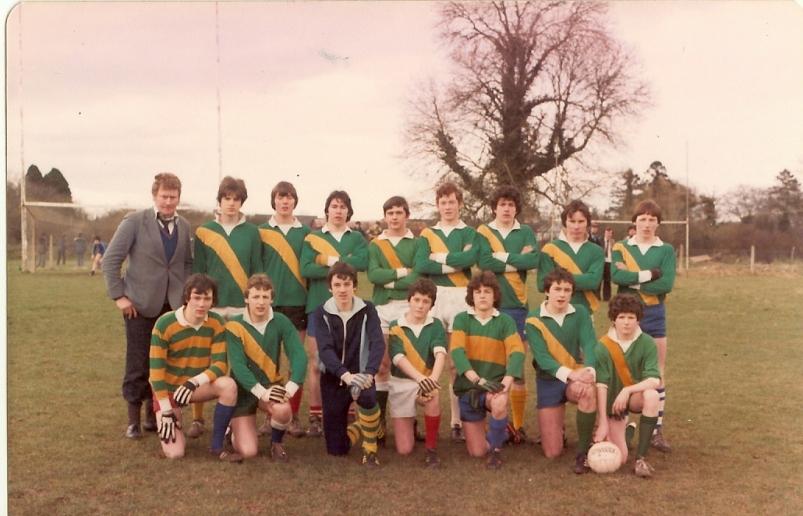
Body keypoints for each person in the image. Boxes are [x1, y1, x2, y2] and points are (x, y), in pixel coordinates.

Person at [102, 172, 193, 439]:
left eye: (173, 197)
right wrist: (119, 296)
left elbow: (187, 263)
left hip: (172, 307)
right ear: (154, 195)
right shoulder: (134, 221)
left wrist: (185, 296)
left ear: (179, 198)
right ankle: (133, 420)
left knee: (165, 364)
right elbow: (110, 260)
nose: (168, 202)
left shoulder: (184, 225)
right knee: (138, 362)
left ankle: (154, 416)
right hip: (139, 306)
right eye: (164, 196)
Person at [188, 176, 262, 439]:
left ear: (242, 202)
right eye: (227, 198)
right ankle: (197, 419)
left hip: (242, 308)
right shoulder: (204, 231)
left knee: (241, 364)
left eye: (236, 199)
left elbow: (257, 271)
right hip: (213, 307)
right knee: (205, 362)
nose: (231, 203)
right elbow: (199, 272)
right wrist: (199, 304)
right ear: (219, 201)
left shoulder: (252, 232)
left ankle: (238, 417)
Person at [149, 273, 242, 462]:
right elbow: (156, 373)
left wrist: (193, 382)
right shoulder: (165, 323)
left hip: (194, 388)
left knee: (228, 385)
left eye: (207, 299)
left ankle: (217, 445)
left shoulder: (216, 322)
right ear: (187, 297)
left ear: (213, 300)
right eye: (197, 298)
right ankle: (172, 422)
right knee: (175, 454)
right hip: (169, 391)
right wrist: (166, 410)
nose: (201, 304)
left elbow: (220, 365)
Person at [414, 181, 478, 442]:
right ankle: (421, 420)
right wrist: (453, 260)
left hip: (462, 296)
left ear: (460, 204)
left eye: (452, 202)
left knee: (455, 363)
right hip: (436, 296)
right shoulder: (428, 233)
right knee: (428, 361)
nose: (448, 206)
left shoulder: (469, 232)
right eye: (443, 202)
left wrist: (437, 258)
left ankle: (456, 421)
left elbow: (469, 259)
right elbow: (421, 264)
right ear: (438, 205)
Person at [301, 190, 368, 436]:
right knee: (318, 363)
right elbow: (306, 268)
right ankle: (315, 415)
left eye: (342, 206)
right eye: (334, 206)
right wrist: (342, 263)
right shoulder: (313, 237)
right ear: (326, 210)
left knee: (348, 361)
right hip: (318, 306)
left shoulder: (357, 238)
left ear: (348, 211)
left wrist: (325, 260)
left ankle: (346, 411)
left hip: (348, 309)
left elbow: (362, 263)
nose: (338, 211)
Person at [475, 185, 539, 443]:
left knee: (517, 365)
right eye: (502, 204)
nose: (506, 208)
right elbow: (484, 263)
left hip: (517, 307)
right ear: (494, 207)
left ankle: (519, 425)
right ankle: (489, 424)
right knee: (488, 364)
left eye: (511, 205)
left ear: (516, 208)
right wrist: (515, 259)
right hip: (489, 306)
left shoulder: (526, 232)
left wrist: (499, 257)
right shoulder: (484, 231)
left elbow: (533, 261)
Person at [611, 199, 675, 452]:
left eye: (652, 220)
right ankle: (621, 426)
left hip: (654, 313)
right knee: (621, 368)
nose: (647, 224)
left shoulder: (666, 250)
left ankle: (656, 430)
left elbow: (666, 284)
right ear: (634, 221)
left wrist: (632, 280)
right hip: (625, 313)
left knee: (656, 370)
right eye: (642, 219)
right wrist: (650, 275)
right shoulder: (621, 246)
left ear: (658, 223)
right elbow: (617, 276)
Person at [227, 274, 308, 461]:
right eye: (255, 296)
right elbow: (238, 367)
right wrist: (261, 392)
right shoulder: (235, 324)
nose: (261, 302)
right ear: (246, 298)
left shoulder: (281, 321)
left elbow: (299, 356)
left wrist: (290, 388)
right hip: (244, 390)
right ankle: (231, 428)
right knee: (248, 452)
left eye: (265, 297)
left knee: (283, 410)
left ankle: (276, 443)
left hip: (271, 385)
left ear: (272, 299)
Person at [525, 268, 597, 473]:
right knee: (552, 452)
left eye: (567, 290)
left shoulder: (581, 312)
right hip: (549, 380)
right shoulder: (533, 319)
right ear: (547, 291)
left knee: (587, 392)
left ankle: (583, 451)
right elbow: (543, 359)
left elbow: (590, 344)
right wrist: (572, 374)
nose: (562, 294)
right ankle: (558, 431)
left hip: (577, 377)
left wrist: (589, 372)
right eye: (557, 289)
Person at [312, 262, 385, 465]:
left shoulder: (368, 309)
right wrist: (345, 375)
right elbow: (325, 350)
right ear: (330, 288)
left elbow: (377, 343)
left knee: (367, 397)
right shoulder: (321, 312)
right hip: (334, 378)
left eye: (347, 284)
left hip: (361, 375)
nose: (342, 289)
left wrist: (369, 373)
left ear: (355, 286)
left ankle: (370, 447)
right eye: (337, 285)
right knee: (337, 450)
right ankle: (368, 424)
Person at [450, 271, 525, 469]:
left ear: (495, 295)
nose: (482, 295)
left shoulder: (505, 321)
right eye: (478, 292)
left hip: (493, 388)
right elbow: (457, 351)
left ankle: (496, 452)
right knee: (477, 452)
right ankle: (503, 431)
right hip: (469, 389)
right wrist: (476, 379)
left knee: (499, 402)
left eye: (487, 291)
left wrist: (506, 382)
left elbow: (517, 352)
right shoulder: (461, 319)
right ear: (471, 296)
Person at [258, 181, 310, 437]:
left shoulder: (306, 233)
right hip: (268, 304)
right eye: (281, 197)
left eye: (289, 197)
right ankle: (271, 415)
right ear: (274, 201)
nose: (285, 201)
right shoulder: (262, 231)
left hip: (298, 303)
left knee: (295, 361)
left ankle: (293, 415)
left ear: (295, 201)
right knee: (270, 362)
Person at [367, 196, 420, 445]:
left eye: (399, 212)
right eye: (390, 213)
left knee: (409, 365)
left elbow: (417, 277)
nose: (395, 217)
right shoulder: (376, 244)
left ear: (406, 215)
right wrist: (402, 273)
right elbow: (374, 275)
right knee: (382, 365)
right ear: (385, 216)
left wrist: (389, 281)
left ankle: (410, 421)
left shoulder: (417, 243)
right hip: (382, 308)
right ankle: (379, 424)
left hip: (408, 308)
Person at [593, 293, 661, 477]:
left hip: (632, 398)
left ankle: (641, 458)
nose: (626, 322)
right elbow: (601, 385)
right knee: (619, 458)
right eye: (621, 317)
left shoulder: (646, 342)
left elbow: (655, 380)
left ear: (638, 320)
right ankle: (628, 431)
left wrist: (628, 390)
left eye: (631, 317)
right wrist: (603, 422)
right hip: (612, 406)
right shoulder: (603, 345)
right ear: (613, 319)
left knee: (652, 395)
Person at [387, 278, 446, 467]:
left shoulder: (436, 324)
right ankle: (411, 424)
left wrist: (432, 380)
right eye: (417, 300)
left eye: (426, 301)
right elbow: (398, 358)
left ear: (431, 305)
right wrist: (421, 378)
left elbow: (440, 353)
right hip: (401, 383)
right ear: (409, 300)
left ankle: (431, 449)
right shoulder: (396, 325)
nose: (420, 305)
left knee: (433, 395)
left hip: (426, 381)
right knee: (404, 450)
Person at [538, 200, 604, 315]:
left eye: (581, 221)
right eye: (572, 221)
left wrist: (557, 280)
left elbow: (593, 282)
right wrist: (583, 279)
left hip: (585, 313)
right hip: (553, 313)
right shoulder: (549, 249)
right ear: (565, 222)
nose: (576, 226)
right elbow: (542, 284)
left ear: (587, 223)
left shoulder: (597, 251)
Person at [602, 227, 615, 301]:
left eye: (610, 233)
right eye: (607, 233)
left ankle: (607, 297)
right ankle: (597, 296)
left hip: (609, 262)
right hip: (602, 262)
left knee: (607, 281)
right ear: (604, 233)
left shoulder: (613, 242)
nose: (608, 235)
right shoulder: (600, 240)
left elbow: (614, 251)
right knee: (599, 280)